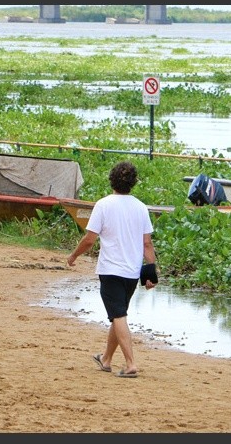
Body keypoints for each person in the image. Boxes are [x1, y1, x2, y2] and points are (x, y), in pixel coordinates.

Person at [66, 161, 158, 378]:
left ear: (112, 181)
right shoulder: (140, 207)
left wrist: (73, 255)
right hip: (131, 273)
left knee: (118, 315)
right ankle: (106, 359)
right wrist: (151, 272)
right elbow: (147, 244)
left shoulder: (103, 205)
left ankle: (131, 364)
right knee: (119, 315)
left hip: (111, 270)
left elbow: (89, 239)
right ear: (134, 183)